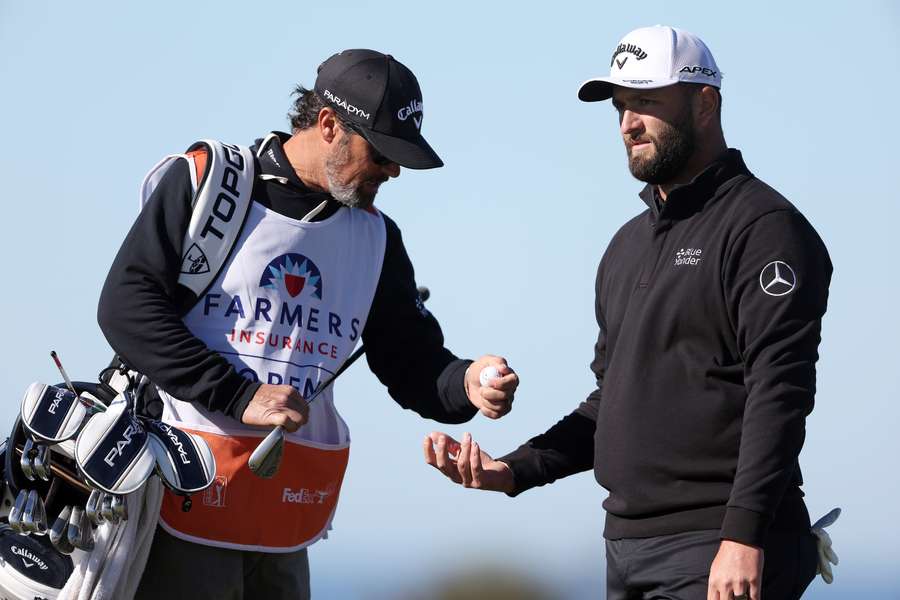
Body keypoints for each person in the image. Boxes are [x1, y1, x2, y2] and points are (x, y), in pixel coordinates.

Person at [424, 26, 831, 600]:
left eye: (645, 102)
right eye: (620, 107)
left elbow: (780, 392)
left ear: (705, 104)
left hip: (720, 548)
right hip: (627, 551)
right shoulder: (625, 246)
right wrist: (515, 470)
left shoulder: (765, 229)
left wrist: (743, 536)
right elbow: (611, 401)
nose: (627, 123)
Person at [97, 49, 519, 599]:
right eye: (382, 154)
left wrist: (465, 382)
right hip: (179, 492)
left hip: (282, 514)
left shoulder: (376, 238)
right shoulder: (207, 182)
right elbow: (125, 306)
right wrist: (238, 394)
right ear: (328, 126)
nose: (392, 172)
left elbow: (410, 360)